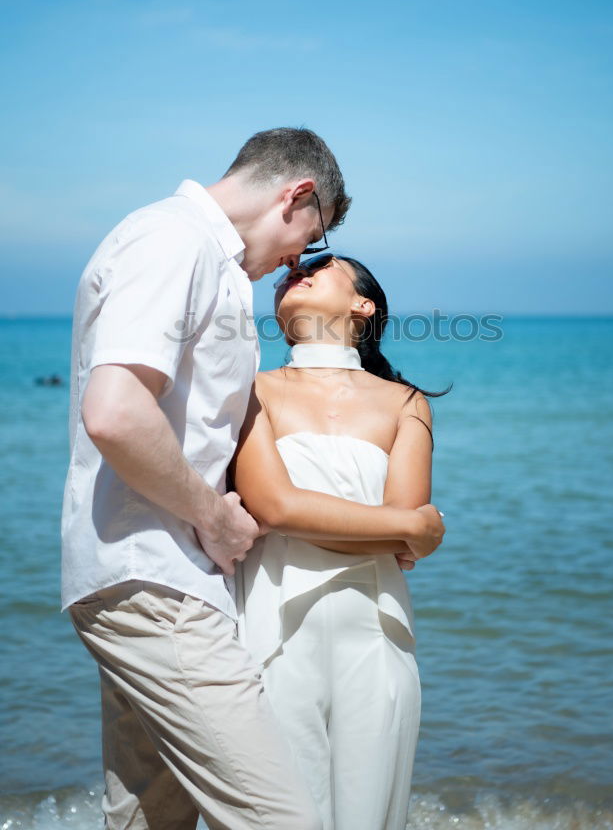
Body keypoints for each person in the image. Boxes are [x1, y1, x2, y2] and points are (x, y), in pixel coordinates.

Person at [62, 127, 444, 830]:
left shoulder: (203, 261)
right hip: (157, 580)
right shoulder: (176, 242)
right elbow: (114, 412)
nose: (295, 262)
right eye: (311, 238)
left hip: (172, 584)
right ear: (297, 196)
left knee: (151, 818)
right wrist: (215, 514)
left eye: (316, 258)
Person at [233, 252, 449, 830]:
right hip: (268, 627)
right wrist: (406, 527)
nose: (294, 271)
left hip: (378, 632)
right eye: (289, 274)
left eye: (321, 266)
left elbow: (392, 528)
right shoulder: (250, 388)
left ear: (363, 305)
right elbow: (273, 506)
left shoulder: (407, 402)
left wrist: (395, 527)